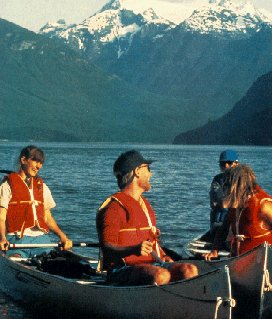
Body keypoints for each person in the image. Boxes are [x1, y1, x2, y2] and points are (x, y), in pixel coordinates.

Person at [96, 150, 198, 285]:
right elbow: (107, 249)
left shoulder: (145, 205)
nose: (151, 173)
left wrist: (164, 256)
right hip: (121, 270)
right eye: (148, 169)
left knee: (189, 270)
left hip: (150, 266)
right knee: (161, 275)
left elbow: (152, 241)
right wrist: (133, 250)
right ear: (137, 171)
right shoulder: (114, 209)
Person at [0, 145, 73, 257]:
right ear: (23, 160)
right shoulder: (7, 185)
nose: (38, 166)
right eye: (35, 161)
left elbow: (47, 217)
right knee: (16, 259)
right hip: (17, 240)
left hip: (41, 240)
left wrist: (62, 236)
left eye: (41, 162)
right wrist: (2, 238)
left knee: (61, 259)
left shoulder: (42, 187)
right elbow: (1, 217)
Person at [204, 164, 272, 261]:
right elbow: (223, 229)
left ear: (238, 184)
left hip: (261, 262)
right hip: (238, 260)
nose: (225, 187)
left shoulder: (263, 205)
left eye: (227, 184)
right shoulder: (236, 204)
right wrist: (214, 251)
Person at [209, 149, 239, 241]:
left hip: (239, 225)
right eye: (222, 163)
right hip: (221, 224)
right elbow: (221, 201)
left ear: (236, 164)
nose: (226, 166)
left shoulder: (243, 180)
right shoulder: (217, 180)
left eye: (229, 163)